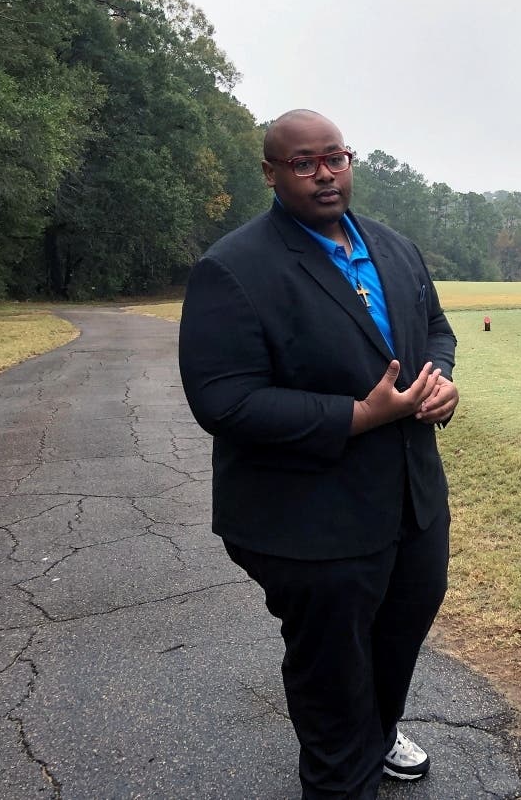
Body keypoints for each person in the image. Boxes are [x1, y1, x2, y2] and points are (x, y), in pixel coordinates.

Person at [178, 109, 458, 799]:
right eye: (303, 162)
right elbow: (225, 401)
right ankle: (343, 772)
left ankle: (379, 731)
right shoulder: (235, 268)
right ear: (272, 172)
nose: (324, 173)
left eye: (336, 157)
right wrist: (358, 415)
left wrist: (442, 379)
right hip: (309, 521)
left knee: (398, 638)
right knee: (331, 676)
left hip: (412, 504)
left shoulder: (393, 247)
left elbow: (435, 328)